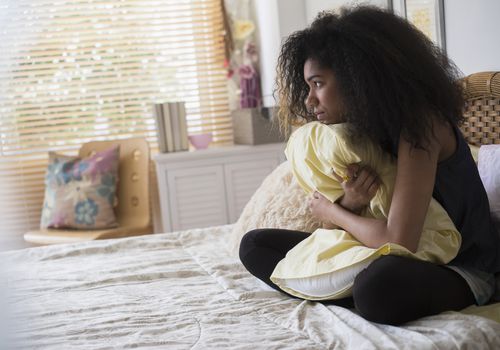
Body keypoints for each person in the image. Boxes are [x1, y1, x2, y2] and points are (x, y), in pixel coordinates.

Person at [239, 6, 500, 325]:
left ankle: (339, 289)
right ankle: (343, 288)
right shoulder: (358, 131)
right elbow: (336, 233)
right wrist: (350, 202)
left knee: (377, 287)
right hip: (377, 253)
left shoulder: (422, 126)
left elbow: (400, 239)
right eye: (308, 86)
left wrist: (333, 211)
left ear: (356, 78)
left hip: (458, 267)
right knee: (255, 246)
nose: (309, 100)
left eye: (318, 83)